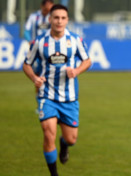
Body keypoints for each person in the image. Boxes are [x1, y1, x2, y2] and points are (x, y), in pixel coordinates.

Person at [23, 4, 91, 176]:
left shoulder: (76, 40)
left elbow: (87, 61)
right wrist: (35, 78)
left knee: (71, 139)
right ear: (50, 19)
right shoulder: (39, 42)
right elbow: (26, 64)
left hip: (69, 97)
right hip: (47, 96)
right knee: (48, 133)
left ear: (67, 20)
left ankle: (65, 144)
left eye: (63, 18)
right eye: (56, 18)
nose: (59, 21)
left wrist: (76, 71)